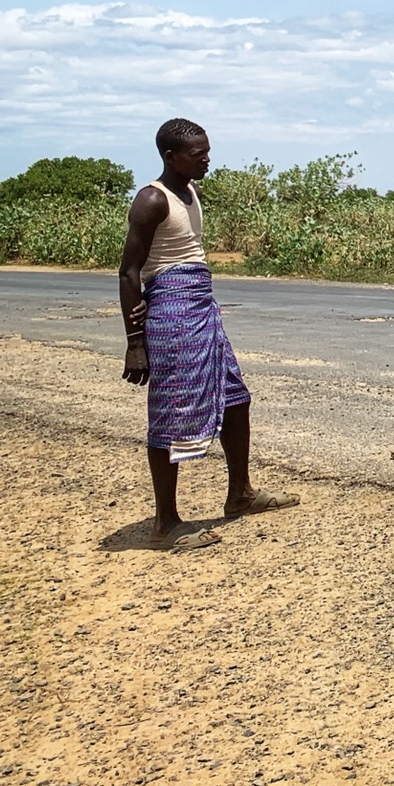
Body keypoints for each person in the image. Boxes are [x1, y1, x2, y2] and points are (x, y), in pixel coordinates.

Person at [118, 118, 299, 553]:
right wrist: (135, 342)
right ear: (170, 157)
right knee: (171, 413)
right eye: (197, 153)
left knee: (236, 399)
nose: (206, 159)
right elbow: (129, 271)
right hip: (171, 316)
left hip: (202, 308)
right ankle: (165, 523)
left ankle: (239, 494)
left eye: (207, 150)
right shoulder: (151, 200)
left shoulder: (191, 190)